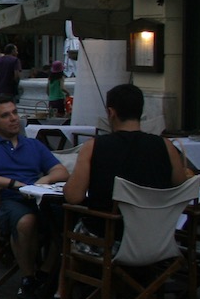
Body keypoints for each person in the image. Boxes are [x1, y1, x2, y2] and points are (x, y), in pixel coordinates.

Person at [0, 95, 71, 299]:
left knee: (67, 220)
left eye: (14, 113)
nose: (13, 118)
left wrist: (45, 179)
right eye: (6, 115)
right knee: (26, 221)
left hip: (37, 198)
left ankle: (45, 272)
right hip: (2, 201)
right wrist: (11, 183)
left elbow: (61, 170)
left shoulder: (33, 145)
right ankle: (28, 277)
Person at [63, 83, 186, 230]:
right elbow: (180, 187)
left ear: (111, 112)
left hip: (107, 238)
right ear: (140, 111)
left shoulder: (93, 147)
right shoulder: (166, 146)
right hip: (156, 236)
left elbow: (73, 196)